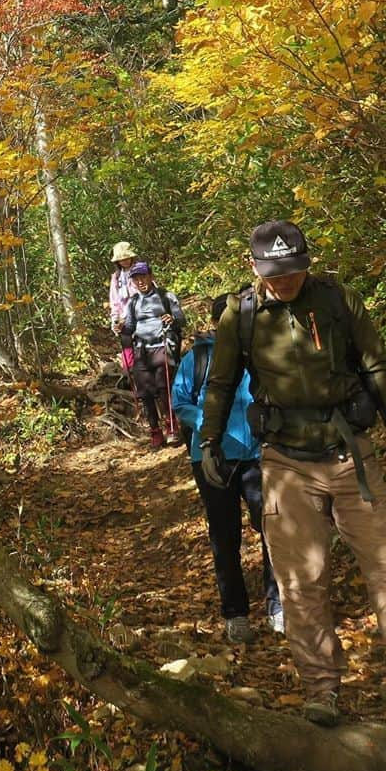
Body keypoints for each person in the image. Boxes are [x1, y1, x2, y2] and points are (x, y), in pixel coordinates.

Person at [198, 220, 386, 753]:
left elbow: (377, 366)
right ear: (254, 267)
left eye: (294, 270)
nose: (285, 281)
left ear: (307, 262)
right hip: (285, 462)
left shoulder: (338, 299)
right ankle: (322, 689)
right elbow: (222, 382)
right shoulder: (240, 315)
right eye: (275, 273)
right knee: (300, 582)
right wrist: (208, 441)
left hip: (350, 453)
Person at [173, 295, 283, 643]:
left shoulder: (259, 357)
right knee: (225, 535)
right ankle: (235, 613)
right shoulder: (198, 358)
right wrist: (209, 421)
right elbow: (180, 403)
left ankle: (277, 605)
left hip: (257, 454)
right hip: (210, 455)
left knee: (271, 528)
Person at [120, 261, 185, 449]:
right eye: (136, 279)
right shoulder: (133, 303)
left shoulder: (166, 297)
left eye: (143, 277)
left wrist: (172, 319)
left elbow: (181, 320)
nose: (140, 281)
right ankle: (155, 431)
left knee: (164, 388)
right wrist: (121, 330)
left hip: (163, 346)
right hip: (142, 350)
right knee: (146, 393)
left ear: (151, 276)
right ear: (132, 282)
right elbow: (129, 328)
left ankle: (172, 427)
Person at [109, 241, 138, 375]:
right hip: (123, 317)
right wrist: (115, 318)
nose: (124, 261)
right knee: (126, 343)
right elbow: (114, 299)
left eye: (126, 258)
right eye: (121, 259)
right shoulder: (116, 277)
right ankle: (128, 374)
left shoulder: (140, 271)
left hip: (141, 312)